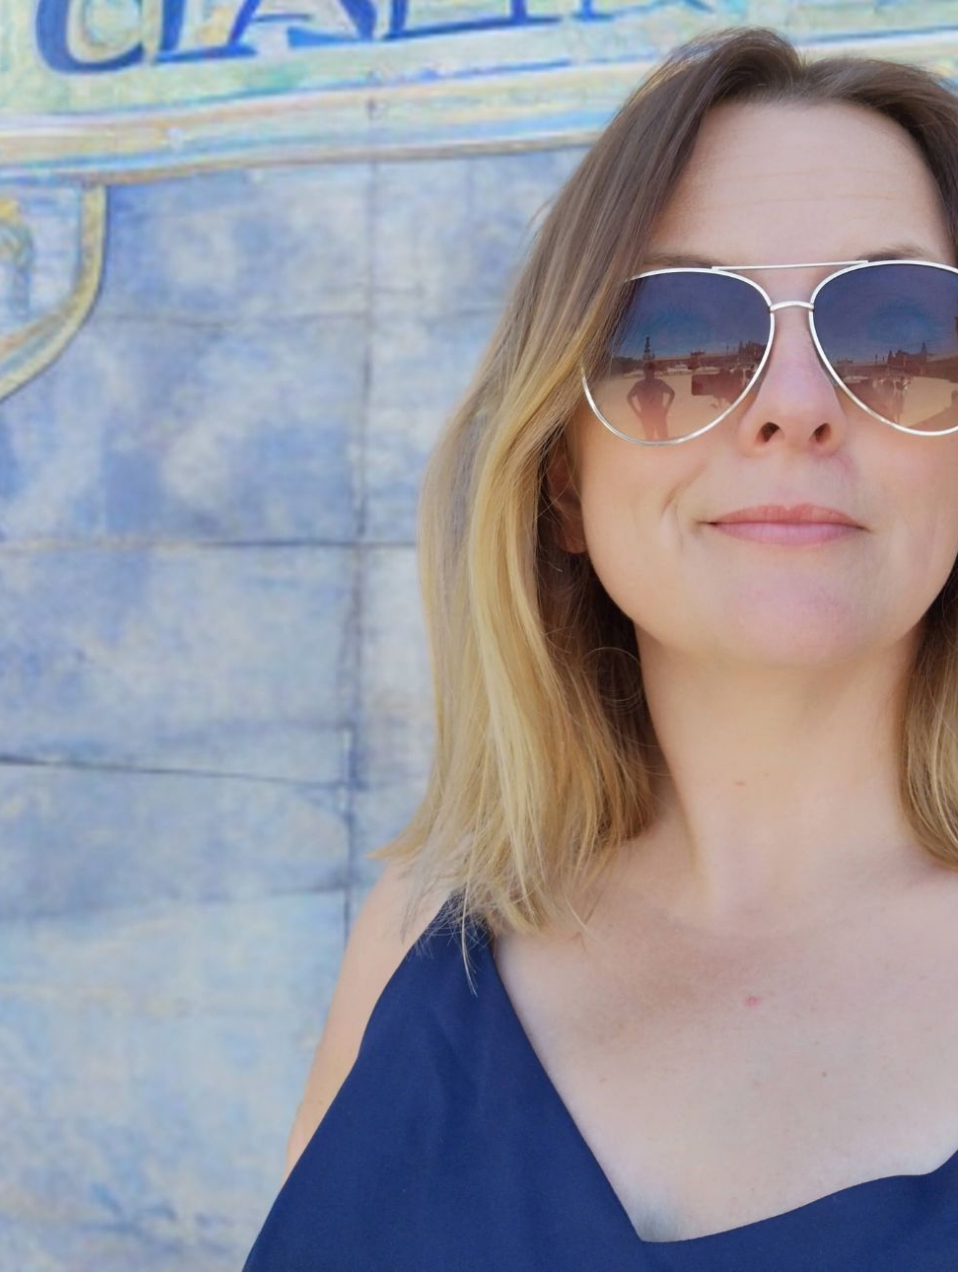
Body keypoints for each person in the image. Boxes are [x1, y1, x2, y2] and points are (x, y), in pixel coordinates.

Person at [243, 26, 958, 1270]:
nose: (796, 402)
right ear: (563, 482)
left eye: (901, 326)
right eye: (672, 332)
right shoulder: (420, 936)